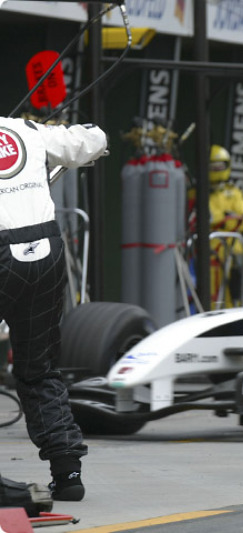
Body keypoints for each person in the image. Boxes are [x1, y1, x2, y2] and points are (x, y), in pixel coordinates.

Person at [0, 116, 107, 501]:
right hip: (45, 250)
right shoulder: (26, 130)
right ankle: (67, 473)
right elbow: (92, 140)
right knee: (39, 367)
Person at [208, 144, 243, 309]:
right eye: (213, 167)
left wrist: (222, 220)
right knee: (211, 297)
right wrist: (225, 217)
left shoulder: (235, 193)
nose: (217, 170)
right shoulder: (198, 194)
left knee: (235, 295)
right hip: (210, 254)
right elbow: (205, 218)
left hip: (233, 253)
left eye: (220, 167)